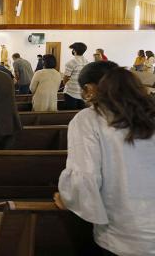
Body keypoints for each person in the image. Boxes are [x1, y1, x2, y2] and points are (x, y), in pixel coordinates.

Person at [55, 61, 155, 256]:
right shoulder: (150, 115)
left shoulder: (90, 119)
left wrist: (69, 199)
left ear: (89, 88)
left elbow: (85, 176)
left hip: (124, 234)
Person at [63, 42, 89, 110]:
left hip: (71, 92)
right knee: (80, 112)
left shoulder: (71, 62)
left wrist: (66, 84)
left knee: (69, 113)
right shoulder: (87, 62)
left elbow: (65, 78)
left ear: (74, 50)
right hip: (82, 92)